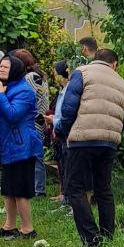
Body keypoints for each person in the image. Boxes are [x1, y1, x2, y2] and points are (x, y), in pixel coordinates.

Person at [54, 47, 124, 247]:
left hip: (83, 139)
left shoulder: (82, 72)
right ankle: (107, 237)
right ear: (114, 64)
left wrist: (62, 130)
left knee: (75, 189)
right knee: (103, 188)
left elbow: (69, 108)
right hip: (109, 142)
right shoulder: (122, 83)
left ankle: (91, 239)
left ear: (94, 59)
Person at [0, 52, 42, 239]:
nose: (1, 69)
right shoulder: (6, 87)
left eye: (5, 67)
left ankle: (27, 229)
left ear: (15, 70)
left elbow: (13, 115)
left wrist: (0, 95)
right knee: (8, 188)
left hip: (22, 146)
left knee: (20, 189)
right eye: (0, 66)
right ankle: (9, 226)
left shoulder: (24, 91)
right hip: (8, 146)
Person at [13, 49, 49, 197]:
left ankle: (38, 188)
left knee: (34, 154)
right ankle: (36, 187)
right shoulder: (39, 75)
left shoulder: (30, 77)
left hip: (33, 120)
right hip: (40, 119)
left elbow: (27, 99)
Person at [48, 61, 71, 204]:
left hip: (63, 131)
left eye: (55, 73)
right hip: (57, 130)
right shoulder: (61, 90)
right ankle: (63, 193)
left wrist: (53, 119)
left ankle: (66, 197)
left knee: (66, 165)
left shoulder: (68, 90)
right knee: (61, 165)